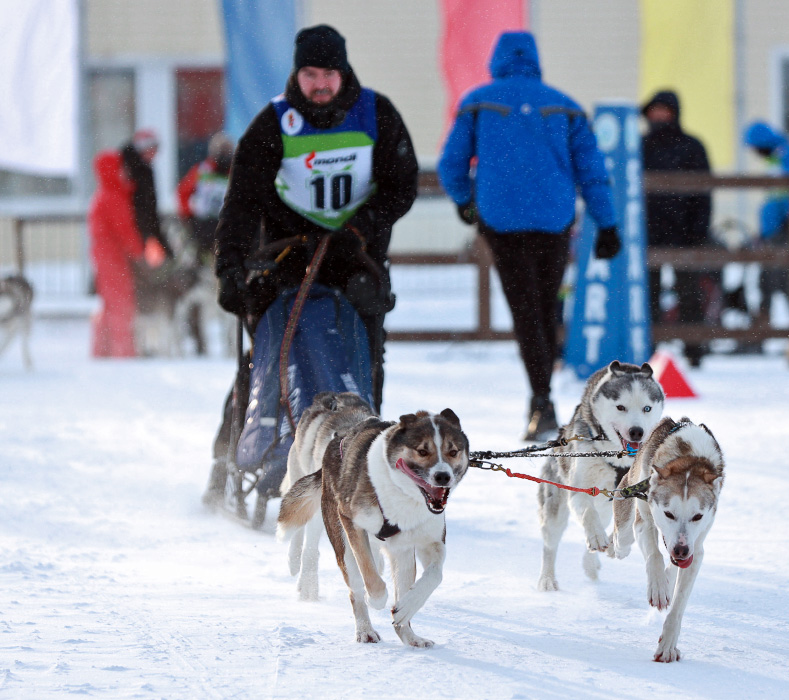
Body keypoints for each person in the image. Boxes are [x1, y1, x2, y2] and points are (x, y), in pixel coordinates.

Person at [203, 24, 418, 504]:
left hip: (355, 257)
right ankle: (228, 457)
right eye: (310, 74)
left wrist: (361, 227)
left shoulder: (377, 115)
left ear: (344, 73)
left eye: (329, 74)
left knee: (365, 362)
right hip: (284, 257)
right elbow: (239, 206)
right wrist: (229, 270)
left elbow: (401, 185)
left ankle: (365, 467)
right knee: (263, 357)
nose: (320, 84)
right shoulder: (272, 124)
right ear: (296, 75)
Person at [437, 30, 620, 442]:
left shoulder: (478, 102)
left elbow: (452, 164)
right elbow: (592, 172)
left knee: (524, 309)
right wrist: (607, 223)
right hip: (554, 220)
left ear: (496, 59)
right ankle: (543, 395)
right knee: (545, 301)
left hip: (501, 221)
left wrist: (465, 201)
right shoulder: (565, 106)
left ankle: (541, 399)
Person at [641, 90, 714, 367]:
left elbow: (704, 193)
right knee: (649, 294)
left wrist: (698, 231)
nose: (659, 116)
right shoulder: (641, 146)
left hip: (685, 233)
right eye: (654, 111)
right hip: (648, 234)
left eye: (664, 111)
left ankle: (694, 350)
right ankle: (649, 352)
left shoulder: (692, 147)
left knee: (690, 293)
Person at [742, 121, 789, 326]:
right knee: (769, 280)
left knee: (786, 281)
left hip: (786, 230)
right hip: (774, 231)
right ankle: (765, 329)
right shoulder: (777, 159)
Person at [176, 132, 235, 355]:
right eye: (222, 152)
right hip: (200, 237)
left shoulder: (236, 173)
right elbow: (182, 194)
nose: (224, 157)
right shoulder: (201, 171)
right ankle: (198, 341)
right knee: (193, 289)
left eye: (227, 153)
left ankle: (230, 342)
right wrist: (189, 218)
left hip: (225, 236)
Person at [88, 150, 145, 358]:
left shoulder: (104, 195)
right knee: (121, 303)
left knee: (110, 304)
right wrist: (141, 252)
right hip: (113, 258)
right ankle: (123, 351)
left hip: (106, 257)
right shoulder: (112, 197)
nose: (124, 172)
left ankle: (102, 350)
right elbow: (125, 231)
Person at [120, 128, 172, 259]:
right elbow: (142, 203)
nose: (155, 154)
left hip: (142, 227)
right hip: (136, 228)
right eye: (153, 149)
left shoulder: (142, 169)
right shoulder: (135, 171)